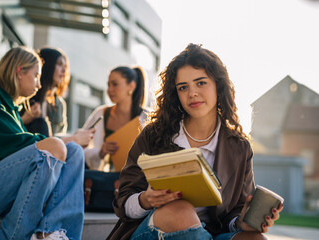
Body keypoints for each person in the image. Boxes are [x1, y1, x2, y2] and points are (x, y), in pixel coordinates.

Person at [107, 43, 283, 240]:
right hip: (154, 230)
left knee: (255, 238)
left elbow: (235, 212)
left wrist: (242, 221)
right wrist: (145, 200)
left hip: (210, 234)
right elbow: (122, 202)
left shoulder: (239, 147)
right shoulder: (154, 135)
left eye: (201, 83)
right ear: (176, 94)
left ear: (218, 85)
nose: (192, 93)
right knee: (180, 209)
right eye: (183, 87)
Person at [0, 46, 88, 240]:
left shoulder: (8, 106)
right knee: (55, 147)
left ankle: (52, 232)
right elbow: (15, 145)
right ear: (20, 72)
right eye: (36, 76)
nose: (38, 85)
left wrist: (69, 142)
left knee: (75, 151)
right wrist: (67, 139)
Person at [21, 47, 94, 142]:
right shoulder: (26, 97)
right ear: (47, 65)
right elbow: (13, 130)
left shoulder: (58, 104)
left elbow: (59, 136)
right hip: (30, 150)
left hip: (54, 151)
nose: (64, 70)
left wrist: (73, 137)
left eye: (65, 66)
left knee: (76, 149)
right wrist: (25, 119)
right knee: (40, 123)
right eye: (59, 64)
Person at [83, 66, 147, 171]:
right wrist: (100, 152)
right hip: (105, 182)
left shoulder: (146, 117)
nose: (109, 90)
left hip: (137, 182)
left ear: (131, 86)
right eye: (108, 85)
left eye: (115, 84)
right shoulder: (100, 114)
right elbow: (79, 147)